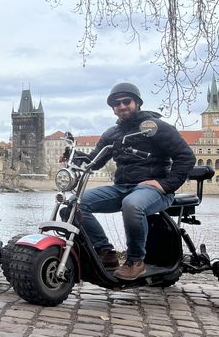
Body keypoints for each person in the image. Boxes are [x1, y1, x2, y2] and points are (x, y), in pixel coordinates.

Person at [76, 82, 195, 281]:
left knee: (131, 204)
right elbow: (94, 162)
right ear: (113, 108)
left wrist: (166, 185)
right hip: (122, 187)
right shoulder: (112, 134)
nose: (122, 106)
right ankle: (106, 252)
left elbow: (185, 157)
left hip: (153, 189)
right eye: (116, 103)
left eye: (126, 101)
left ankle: (135, 261)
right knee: (76, 203)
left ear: (137, 102)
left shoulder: (156, 127)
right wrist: (73, 155)